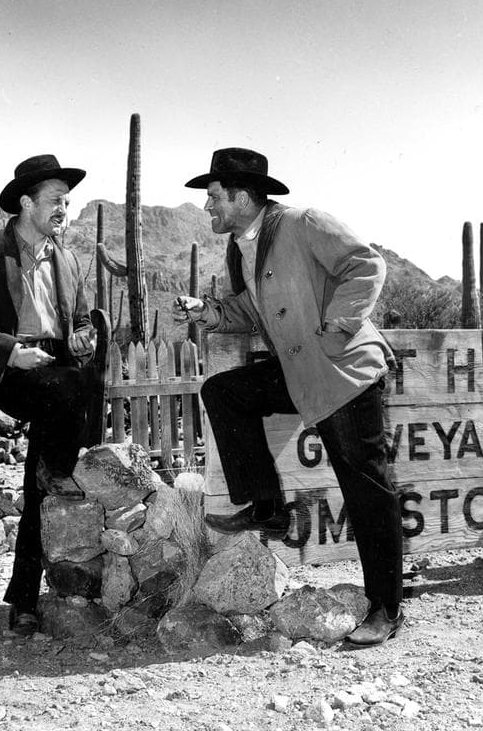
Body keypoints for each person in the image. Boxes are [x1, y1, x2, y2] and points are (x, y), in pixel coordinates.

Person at [173, 147, 404, 647]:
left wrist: (337, 329)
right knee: (224, 392)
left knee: (366, 489)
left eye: (214, 196)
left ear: (241, 197)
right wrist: (207, 312)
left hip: (343, 372)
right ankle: (267, 506)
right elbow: (251, 311)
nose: (208, 206)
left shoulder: (303, 223)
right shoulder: (240, 248)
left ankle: (386, 608)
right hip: (301, 374)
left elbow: (366, 265)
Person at [0, 154, 94, 636]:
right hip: (11, 370)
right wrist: (12, 352)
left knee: (36, 486)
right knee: (66, 392)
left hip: (58, 372)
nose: (64, 209)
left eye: (67, 201)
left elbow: (80, 320)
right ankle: (59, 469)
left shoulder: (68, 258)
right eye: (56, 200)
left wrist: (82, 337)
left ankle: (25, 600)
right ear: (28, 203)